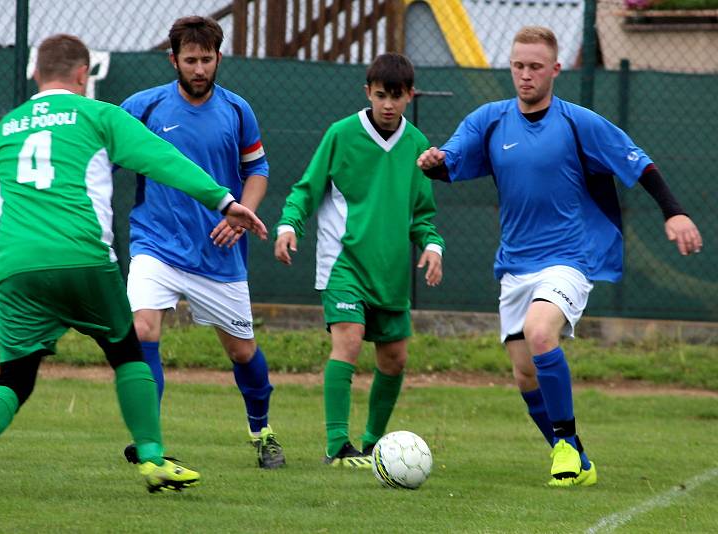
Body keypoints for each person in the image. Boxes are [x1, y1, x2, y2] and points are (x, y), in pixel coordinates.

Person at [0, 34, 267, 496]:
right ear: (81, 75)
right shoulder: (99, 115)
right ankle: (152, 459)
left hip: (17, 270)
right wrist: (223, 200)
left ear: (35, 73)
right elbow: (163, 159)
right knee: (128, 354)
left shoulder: (6, 128)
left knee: (13, 376)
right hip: (84, 260)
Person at [417, 26, 703, 487]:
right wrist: (435, 163)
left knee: (539, 332)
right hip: (515, 265)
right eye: (517, 66)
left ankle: (566, 445)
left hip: (569, 258)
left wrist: (675, 212)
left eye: (534, 67)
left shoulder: (578, 122)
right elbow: (451, 160)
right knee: (524, 372)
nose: (525, 76)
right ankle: (574, 458)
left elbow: (638, 162)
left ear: (555, 69)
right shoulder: (489, 119)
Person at [119, 16, 284, 469]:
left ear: (218, 59)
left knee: (241, 351)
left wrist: (242, 216)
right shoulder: (142, 107)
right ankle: (149, 441)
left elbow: (258, 171)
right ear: (173, 60)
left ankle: (262, 430)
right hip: (156, 244)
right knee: (143, 329)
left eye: (206, 60)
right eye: (189, 60)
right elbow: (104, 156)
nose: (198, 69)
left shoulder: (237, 110)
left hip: (219, 252)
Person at [274, 53, 445, 467]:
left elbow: (422, 213)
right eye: (381, 95)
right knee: (348, 342)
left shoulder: (418, 145)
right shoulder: (341, 133)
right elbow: (307, 188)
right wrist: (288, 224)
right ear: (367, 92)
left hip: (390, 271)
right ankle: (337, 447)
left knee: (395, 358)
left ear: (410, 96)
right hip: (343, 263)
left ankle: (372, 445)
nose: (388, 104)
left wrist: (433, 246)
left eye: (397, 96)